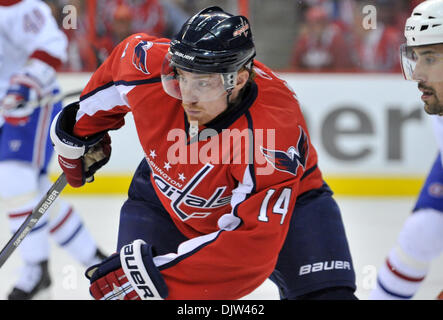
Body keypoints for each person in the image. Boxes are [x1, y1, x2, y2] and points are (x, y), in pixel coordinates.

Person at [50, 6, 357, 300]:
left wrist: (155, 279)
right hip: (166, 201)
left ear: (237, 80)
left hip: (289, 208)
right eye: (181, 77)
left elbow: (250, 251)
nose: (188, 97)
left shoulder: (272, 131)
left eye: (203, 83)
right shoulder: (149, 66)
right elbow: (118, 71)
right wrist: (78, 133)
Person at [0, 0, 105, 300]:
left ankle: (35, 269)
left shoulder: (26, 8)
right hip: (4, 108)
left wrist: (24, 85)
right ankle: (94, 260)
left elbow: (51, 46)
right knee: (36, 192)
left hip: (32, 105)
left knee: (14, 180)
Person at [370, 0, 443, 300]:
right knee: (422, 231)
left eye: (429, 58)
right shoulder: (439, 107)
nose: (416, 75)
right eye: (416, 58)